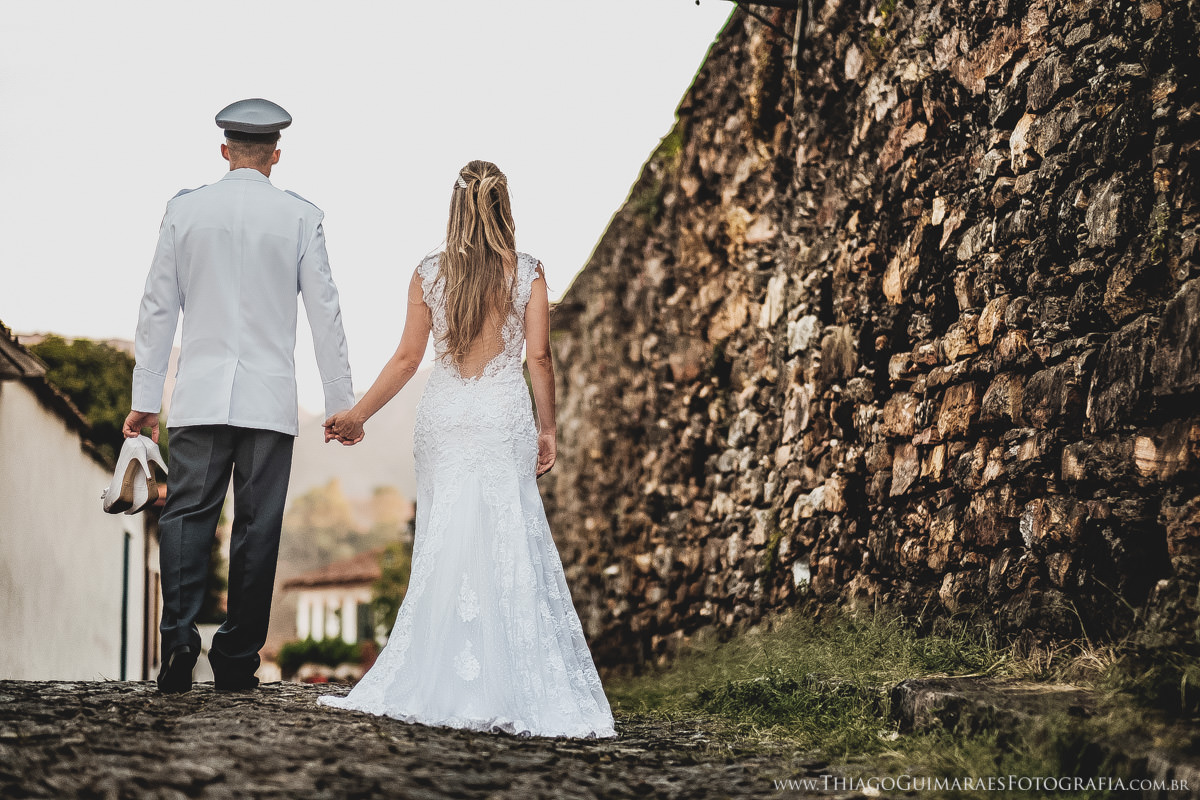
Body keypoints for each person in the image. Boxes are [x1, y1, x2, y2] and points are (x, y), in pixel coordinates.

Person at [318, 160, 615, 739]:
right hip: (502, 414)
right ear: (505, 206)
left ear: (454, 208)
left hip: (448, 415)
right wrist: (548, 427)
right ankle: (506, 679)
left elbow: (407, 359)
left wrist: (358, 415)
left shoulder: (428, 273)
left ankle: (445, 677)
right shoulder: (527, 272)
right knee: (508, 536)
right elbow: (539, 359)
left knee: (446, 538)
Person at [123, 98, 355, 694]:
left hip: (199, 398)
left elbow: (157, 308)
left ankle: (178, 639)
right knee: (258, 526)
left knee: (186, 515)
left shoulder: (184, 211)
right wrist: (340, 403)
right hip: (269, 404)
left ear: (225, 151)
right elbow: (325, 314)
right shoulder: (303, 217)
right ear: (276, 155)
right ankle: (236, 659)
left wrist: (146, 398)